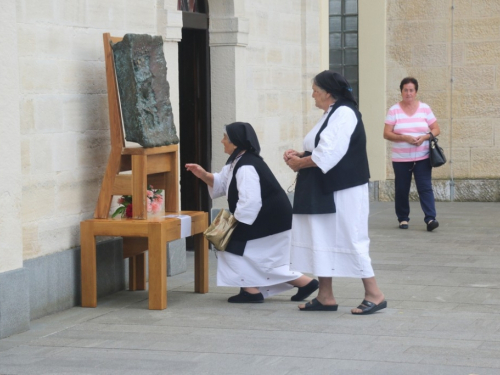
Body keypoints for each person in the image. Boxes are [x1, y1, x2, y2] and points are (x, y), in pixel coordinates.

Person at [283, 70, 386, 315]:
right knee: (321, 237)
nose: (312, 95)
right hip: (323, 187)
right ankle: (325, 296)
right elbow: (320, 148)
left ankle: (375, 293)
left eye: (315, 90)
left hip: (343, 190)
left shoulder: (344, 113)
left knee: (351, 236)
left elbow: (328, 154)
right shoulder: (331, 113)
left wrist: (301, 163)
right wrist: (301, 154)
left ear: (328, 93)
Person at [186, 122, 319, 303]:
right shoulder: (237, 161)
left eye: (225, 138)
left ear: (235, 142)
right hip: (266, 219)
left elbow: (250, 201)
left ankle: (252, 291)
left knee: (232, 247)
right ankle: (303, 283)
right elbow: (221, 183)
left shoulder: (246, 165)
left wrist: (233, 223)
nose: (222, 141)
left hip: (270, 220)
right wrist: (202, 174)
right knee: (258, 257)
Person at [384, 77, 441, 231]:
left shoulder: (425, 108)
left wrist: (424, 137)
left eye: (411, 90)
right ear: (401, 91)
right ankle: (403, 218)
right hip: (401, 159)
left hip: (422, 157)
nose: (408, 93)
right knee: (402, 188)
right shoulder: (394, 110)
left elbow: (436, 129)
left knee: (425, 187)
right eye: (405, 90)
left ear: (416, 92)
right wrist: (404, 138)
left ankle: (430, 219)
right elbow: (386, 134)